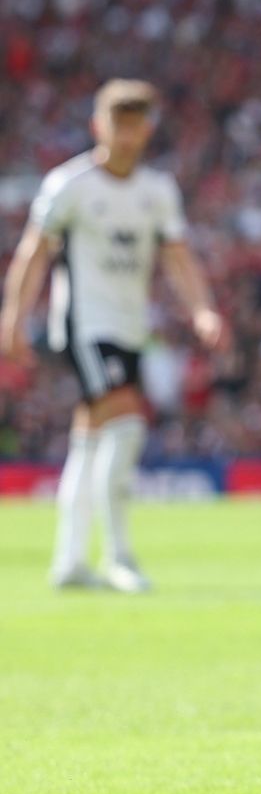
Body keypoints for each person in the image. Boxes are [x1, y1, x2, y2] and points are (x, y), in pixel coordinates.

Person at [1, 79, 226, 593]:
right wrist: (13, 317)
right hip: (83, 326)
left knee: (91, 439)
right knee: (126, 425)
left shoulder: (156, 192)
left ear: (148, 129)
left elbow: (177, 256)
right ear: (98, 126)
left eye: (136, 125)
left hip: (128, 329)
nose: (127, 136)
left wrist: (202, 310)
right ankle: (120, 557)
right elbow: (34, 253)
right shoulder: (71, 185)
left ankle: (70, 561)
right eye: (117, 125)